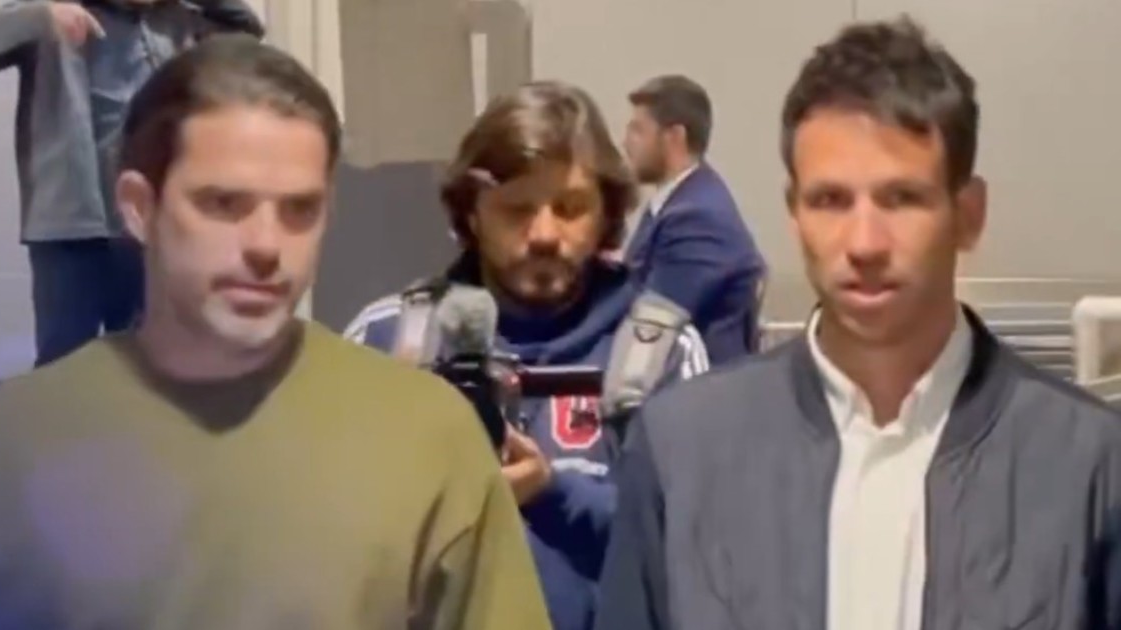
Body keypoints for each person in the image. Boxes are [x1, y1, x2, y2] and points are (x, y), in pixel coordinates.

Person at [0, 36, 550, 630]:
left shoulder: (428, 438)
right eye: (223, 204)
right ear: (140, 207)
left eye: (299, 210)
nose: (266, 246)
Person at [596, 17, 1121, 630]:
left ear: (968, 214)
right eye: (830, 201)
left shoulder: (1089, 465)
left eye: (902, 199)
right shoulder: (681, 451)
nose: (865, 242)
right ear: (794, 216)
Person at [344, 81, 710, 630]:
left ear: (607, 215)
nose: (543, 234)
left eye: (570, 208)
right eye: (516, 209)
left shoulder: (664, 354)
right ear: (472, 214)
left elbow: (694, 554)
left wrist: (552, 494)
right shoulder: (388, 341)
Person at [0, 0, 264, 366]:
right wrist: (40, 17)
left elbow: (247, 31)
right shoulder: (53, 10)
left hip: (149, 230)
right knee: (64, 368)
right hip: (68, 231)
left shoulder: (175, 21)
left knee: (148, 366)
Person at [622, 75, 765, 365]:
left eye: (638, 131)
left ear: (674, 137)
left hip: (702, 385)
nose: (626, 143)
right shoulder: (680, 203)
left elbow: (648, 320)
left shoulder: (697, 218)